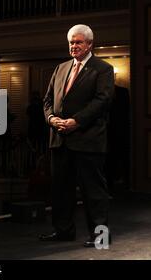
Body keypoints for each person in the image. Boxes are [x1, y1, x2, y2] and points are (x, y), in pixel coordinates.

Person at [41, 24, 114, 247]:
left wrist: (77, 121)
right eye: (71, 42)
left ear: (90, 44)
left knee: (93, 192)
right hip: (60, 139)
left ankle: (100, 237)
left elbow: (102, 101)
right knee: (61, 191)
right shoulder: (60, 68)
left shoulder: (103, 68)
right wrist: (51, 119)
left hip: (88, 140)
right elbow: (47, 102)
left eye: (78, 42)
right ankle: (63, 231)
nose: (74, 46)